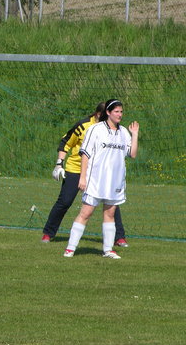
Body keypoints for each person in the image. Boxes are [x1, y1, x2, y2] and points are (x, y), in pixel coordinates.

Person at [41, 102, 128, 247]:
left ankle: (119, 237)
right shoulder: (84, 126)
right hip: (75, 169)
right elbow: (65, 143)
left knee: (111, 203)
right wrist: (59, 164)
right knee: (65, 201)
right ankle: (48, 233)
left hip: (97, 172)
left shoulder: (112, 129)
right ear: (99, 114)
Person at [63, 99, 139, 259]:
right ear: (108, 113)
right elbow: (85, 154)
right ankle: (70, 248)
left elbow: (132, 154)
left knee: (110, 213)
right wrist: (82, 177)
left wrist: (135, 135)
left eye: (121, 112)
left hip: (115, 181)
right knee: (86, 212)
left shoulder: (124, 132)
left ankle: (108, 249)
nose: (120, 114)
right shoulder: (96, 130)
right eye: (117, 111)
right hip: (96, 180)